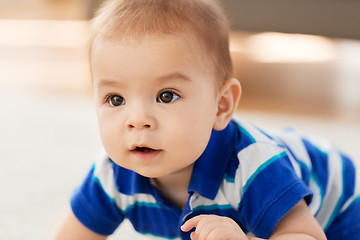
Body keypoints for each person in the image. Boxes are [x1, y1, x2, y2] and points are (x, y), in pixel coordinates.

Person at [56, 0, 360, 239]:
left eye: (166, 96)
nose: (137, 121)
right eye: (115, 99)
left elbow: (307, 236)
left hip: (337, 210)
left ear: (221, 106)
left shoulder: (253, 166)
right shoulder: (111, 174)